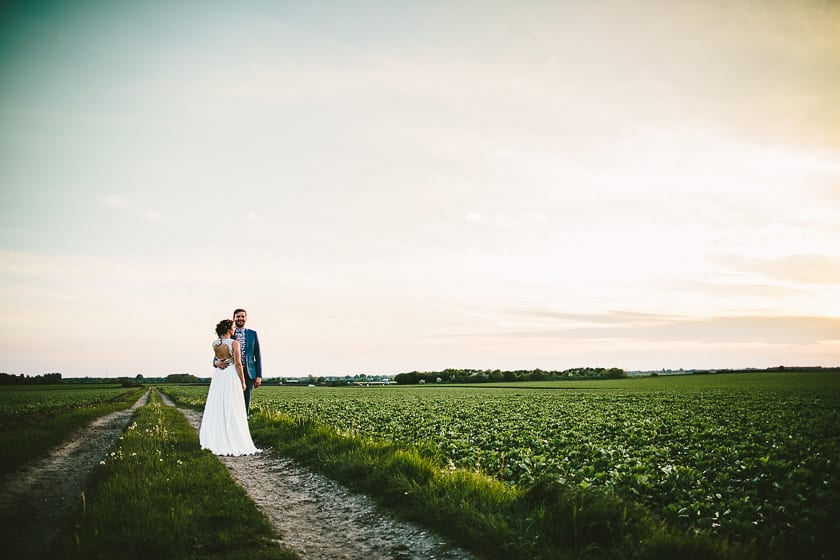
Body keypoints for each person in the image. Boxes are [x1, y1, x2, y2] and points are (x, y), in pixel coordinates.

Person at [200, 319, 259, 455]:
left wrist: (217, 363)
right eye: (232, 327)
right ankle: (233, 436)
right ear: (228, 329)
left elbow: (217, 360)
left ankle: (217, 436)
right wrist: (243, 382)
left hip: (219, 376)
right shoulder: (234, 343)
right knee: (233, 405)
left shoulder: (215, 343)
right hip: (231, 375)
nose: (234, 329)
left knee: (219, 404)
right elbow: (238, 364)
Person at [214, 308, 262, 417]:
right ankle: (231, 420)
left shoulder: (253, 334)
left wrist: (259, 375)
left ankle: (245, 421)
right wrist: (216, 363)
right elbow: (218, 352)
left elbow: (257, 355)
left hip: (249, 371)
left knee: (246, 398)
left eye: (242, 316)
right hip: (232, 371)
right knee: (231, 398)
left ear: (246, 318)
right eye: (238, 316)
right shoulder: (228, 333)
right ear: (234, 318)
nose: (240, 318)